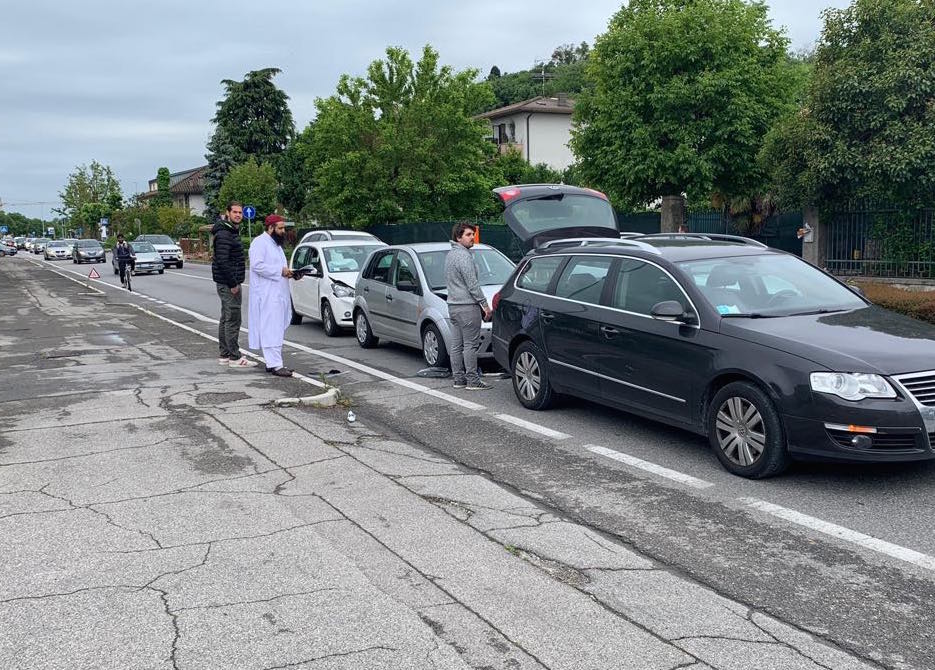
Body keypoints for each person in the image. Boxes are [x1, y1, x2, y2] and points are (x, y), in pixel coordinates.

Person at [445, 221, 492, 391]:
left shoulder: (450, 255)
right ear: (458, 237)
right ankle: (473, 380)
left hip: (453, 306)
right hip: (467, 306)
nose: (472, 238)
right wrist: (485, 306)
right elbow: (472, 284)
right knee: (470, 345)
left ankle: (458, 379)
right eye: (468, 235)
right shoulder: (464, 256)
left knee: (457, 345)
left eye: (473, 234)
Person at [248, 214, 296, 377]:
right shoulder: (259, 243)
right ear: (270, 228)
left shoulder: (276, 245)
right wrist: (280, 271)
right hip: (267, 294)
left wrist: (290, 273)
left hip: (278, 293)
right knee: (271, 329)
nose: (283, 231)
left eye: (284, 228)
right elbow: (257, 266)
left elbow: (280, 267)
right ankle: (274, 364)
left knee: (276, 329)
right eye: (280, 228)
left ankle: (274, 362)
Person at [212, 201, 256, 369]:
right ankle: (234, 357)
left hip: (226, 281)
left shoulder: (229, 231)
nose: (238, 215)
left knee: (226, 318)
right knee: (233, 319)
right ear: (228, 213)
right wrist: (233, 283)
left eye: (240, 212)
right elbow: (222, 261)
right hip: (228, 283)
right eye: (235, 212)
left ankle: (224, 354)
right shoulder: (225, 234)